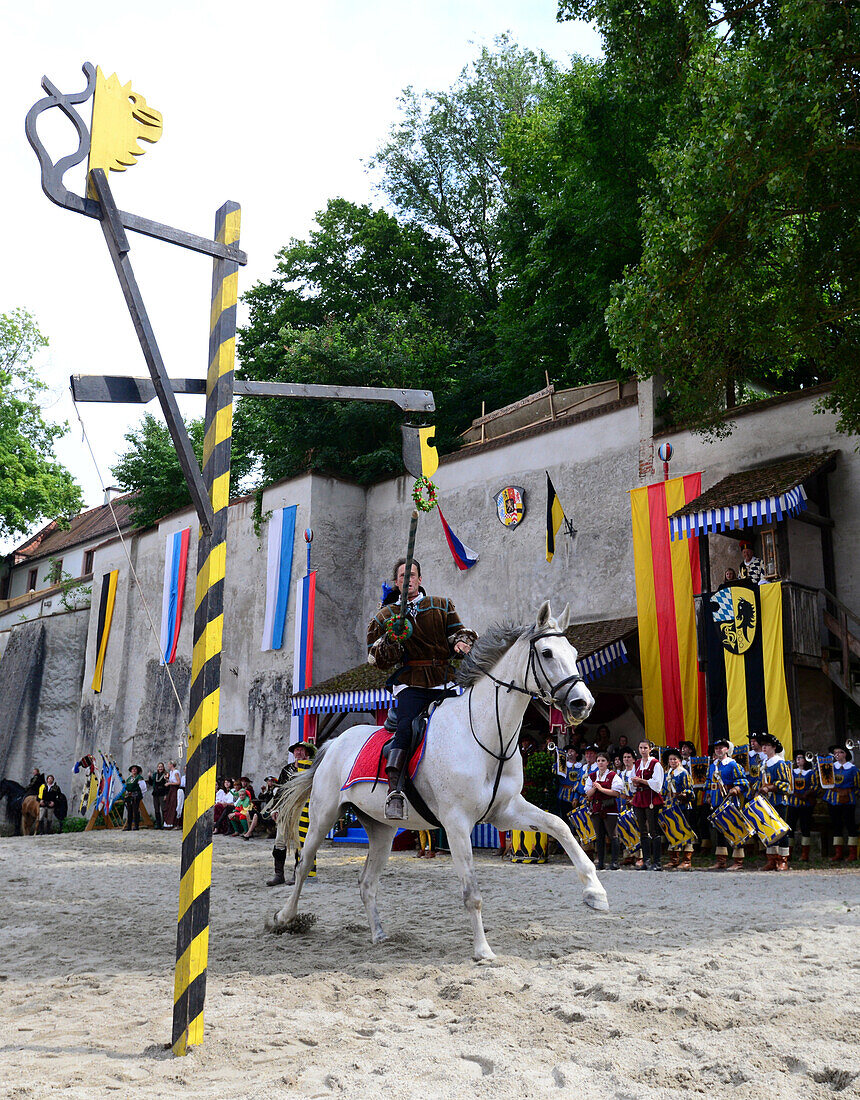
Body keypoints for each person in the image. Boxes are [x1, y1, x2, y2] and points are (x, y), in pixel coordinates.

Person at [366, 557, 476, 820]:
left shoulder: (441, 605)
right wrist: (391, 641)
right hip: (410, 682)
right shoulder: (386, 616)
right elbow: (375, 658)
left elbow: (459, 633)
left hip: (444, 679)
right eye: (403, 576)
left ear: (420, 579)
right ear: (396, 582)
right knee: (406, 726)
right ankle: (395, 790)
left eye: (412, 575)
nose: (408, 580)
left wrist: (462, 644)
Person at [704, 739, 749, 870]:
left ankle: (738, 861)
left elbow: (743, 782)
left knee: (734, 829)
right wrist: (708, 794)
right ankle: (721, 860)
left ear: (727, 750)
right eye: (716, 748)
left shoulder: (733, 765)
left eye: (721, 748)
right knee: (719, 830)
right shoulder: (712, 766)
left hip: (730, 802)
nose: (718, 750)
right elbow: (708, 781)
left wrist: (736, 789)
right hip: (716, 802)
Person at [757, 734, 792, 870]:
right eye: (763, 745)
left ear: (774, 747)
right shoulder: (763, 763)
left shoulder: (780, 763)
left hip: (778, 801)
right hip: (766, 802)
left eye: (767, 745)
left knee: (781, 829)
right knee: (769, 829)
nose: (764, 747)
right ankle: (771, 859)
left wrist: (770, 787)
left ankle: (783, 859)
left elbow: (785, 784)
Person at [584, 751, 624, 870]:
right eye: (599, 761)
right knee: (599, 836)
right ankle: (600, 862)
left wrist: (600, 789)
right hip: (596, 808)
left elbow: (616, 793)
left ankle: (614, 862)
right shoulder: (592, 776)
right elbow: (588, 794)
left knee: (613, 835)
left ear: (607, 763)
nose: (600, 763)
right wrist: (595, 789)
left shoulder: (613, 776)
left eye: (603, 761)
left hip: (609, 808)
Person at [630, 740, 664, 870]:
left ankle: (657, 862)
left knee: (654, 830)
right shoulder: (637, 763)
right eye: (641, 747)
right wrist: (635, 782)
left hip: (651, 798)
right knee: (643, 830)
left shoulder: (655, 764)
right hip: (639, 797)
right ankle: (646, 860)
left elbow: (657, 783)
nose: (643, 750)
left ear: (650, 749)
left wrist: (642, 781)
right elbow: (632, 778)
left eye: (645, 748)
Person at [662, 748, 695, 870]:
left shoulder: (684, 773)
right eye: (670, 759)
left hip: (682, 806)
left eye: (675, 759)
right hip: (670, 806)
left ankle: (687, 860)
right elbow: (664, 790)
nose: (672, 761)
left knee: (684, 831)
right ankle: (674, 859)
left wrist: (684, 795)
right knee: (672, 830)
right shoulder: (667, 774)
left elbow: (690, 790)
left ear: (679, 760)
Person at [824, 745, 858, 862]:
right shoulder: (829, 767)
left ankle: (853, 854)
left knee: (850, 825)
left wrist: (849, 792)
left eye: (840, 752)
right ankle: (838, 853)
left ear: (845, 754)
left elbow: (858, 785)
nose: (837, 754)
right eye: (835, 752)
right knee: (836, 825)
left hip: (848, 800)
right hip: (833, 800)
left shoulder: (853, 769)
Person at [785, 750, 817, 863]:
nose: (798, 760)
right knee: (790, 828)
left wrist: (806, 794)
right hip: (793, 804)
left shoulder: (810, 773)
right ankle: (788, 853)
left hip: (805, 805)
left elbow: (815, 786)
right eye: (797, 758)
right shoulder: (791, 772)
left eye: (801, 758)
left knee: (805, 828)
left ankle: (805, 854)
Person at [122, 765, 147, 831]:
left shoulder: (139, 777)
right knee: (129, 811)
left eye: (135, 769)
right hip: (129, 796)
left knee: (136, 811)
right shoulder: (129, 779)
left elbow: (143, 787)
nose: (134, 770)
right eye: (133, 769)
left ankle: (136, 826)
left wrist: (140, 795)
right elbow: (127, 787)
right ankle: (129, 826)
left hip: (136, 796)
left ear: (137, 770)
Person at [148, 762, 168, 829]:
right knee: (156, 809)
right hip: (156, 793)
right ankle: (158, 824)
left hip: (162, 792)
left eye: (161, 767)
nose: (160, 768)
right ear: (157, 768)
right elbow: (151, 783)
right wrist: (150, 777)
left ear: (163, 767)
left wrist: (166, 794)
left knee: (163, 809)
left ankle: (164, 823)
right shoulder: (155, 775)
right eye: (159, 767)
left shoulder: (165, 774)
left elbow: (167, 785)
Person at [163, 760, 181, 828]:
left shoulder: (176, 772)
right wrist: (167, 780)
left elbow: (178, 782)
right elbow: (171, 781)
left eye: (169, 765)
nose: (168, 766)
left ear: (171, 765)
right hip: (171, 789)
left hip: (175, 789)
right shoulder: (171, 772)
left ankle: (174, 822)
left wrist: (169, 783)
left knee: (173, 804)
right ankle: (168, 822)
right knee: (169, 804)